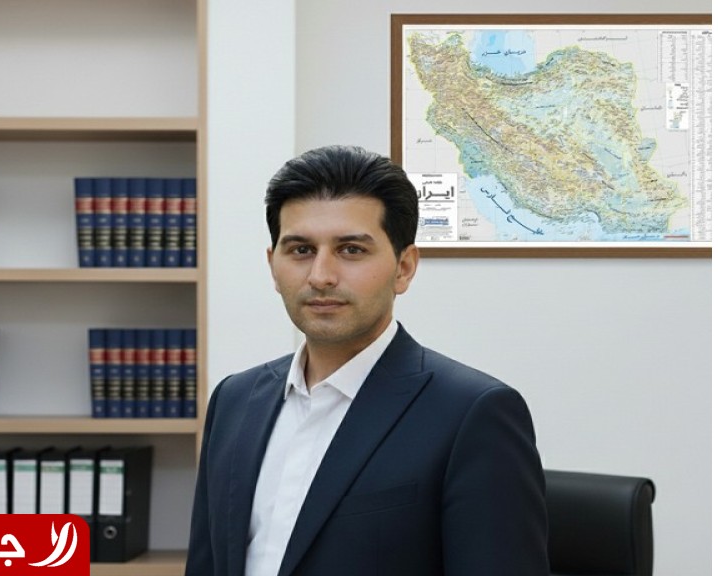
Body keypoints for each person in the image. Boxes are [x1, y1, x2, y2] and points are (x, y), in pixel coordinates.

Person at [185, 145, 549, 576]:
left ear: (404, 268)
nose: (321, 275)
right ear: (272, 266)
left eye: (351, 250)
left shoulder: (473, 413)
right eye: (300, 250)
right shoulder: (234, 400)